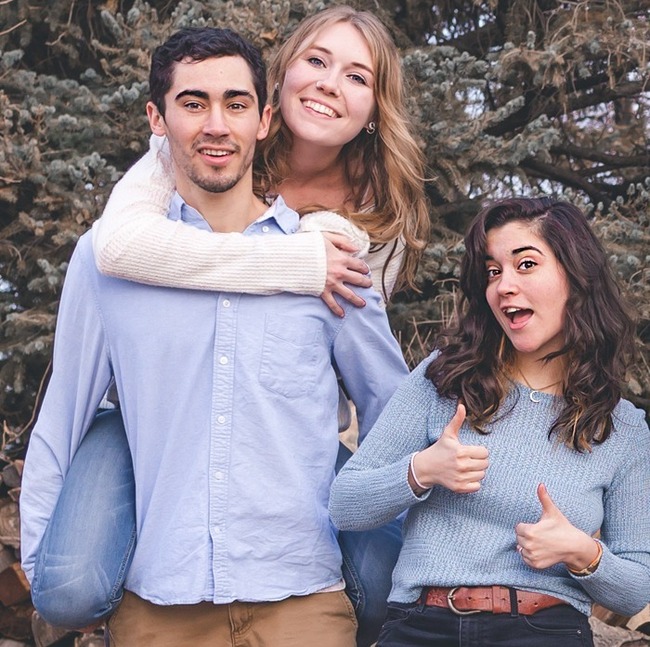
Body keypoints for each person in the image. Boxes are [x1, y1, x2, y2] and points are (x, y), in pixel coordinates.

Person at [28, 7, 429, 646]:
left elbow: (391, 405)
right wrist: (297, 261)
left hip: (298, 572)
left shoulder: (355, 241)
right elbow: (115, 258)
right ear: (158, 120)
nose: (216, 123)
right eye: (318, 62)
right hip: (160, 554)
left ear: (260, 117)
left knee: (384, 575)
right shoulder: (137, 219)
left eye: (357, 76)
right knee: (70, 579)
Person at [329, 197, 650, 647]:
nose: (504, 286)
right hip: (421, 625)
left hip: (544, 631)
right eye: (493, 271)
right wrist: (421, 471)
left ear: (577, 276)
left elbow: (636, 589)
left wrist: (582, 552)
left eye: (526, 264)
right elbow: (345, 505)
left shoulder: (622, 428)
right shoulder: (443, 379)